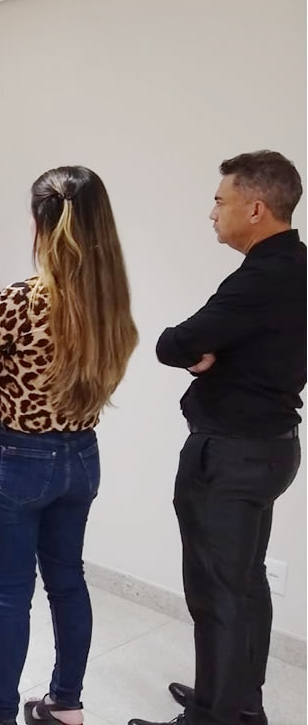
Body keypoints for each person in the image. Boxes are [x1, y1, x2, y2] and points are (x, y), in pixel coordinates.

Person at [0, 166, 138, 725]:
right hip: (81, 455)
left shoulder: (21, 299)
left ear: (42, 224)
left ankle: (0, 715)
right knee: (68, 581)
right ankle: (66, 704)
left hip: (16, 458)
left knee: (10, 592)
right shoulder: (111, 304)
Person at [129, 151, 305, 725]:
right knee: (244, 583)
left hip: (231, 454)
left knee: (217, 591)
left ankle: (215, 716)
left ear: (255, 209)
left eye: (219, 201)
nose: (212, 213)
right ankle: (236, 704)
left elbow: (175, 342)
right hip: (269, 447)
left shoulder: (260, 278)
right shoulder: (297, 266)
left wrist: (196, 353)